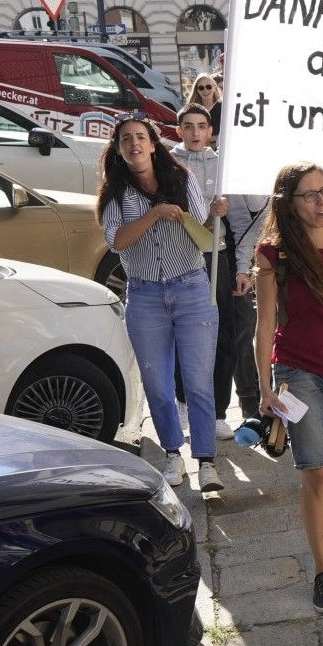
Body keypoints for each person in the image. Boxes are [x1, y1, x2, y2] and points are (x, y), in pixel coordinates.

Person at [250, 163, 323, 614]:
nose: (321, 201)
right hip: (298, 373)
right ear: (288, 202)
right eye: (310, 194)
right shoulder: (274, 255)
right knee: (316, 470)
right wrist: (264, 389)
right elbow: (264, 326)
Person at [97, 113, 220, 491]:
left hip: (191, 288)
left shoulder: (182, 178)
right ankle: (172, 454)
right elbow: (117, 240)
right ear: (119, 150)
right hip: (145, 293)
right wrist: (153, 214)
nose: (134, 144)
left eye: (140, 137)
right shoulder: (115, 193)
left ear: (153, 144)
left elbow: (202, 226)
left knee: (198, 382)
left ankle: (207, 460)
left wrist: (215, 214)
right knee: (158, 384)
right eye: (126, 139)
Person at [169, 103, 259, 444]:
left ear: (210, 131)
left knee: (225, 335)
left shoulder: (223, 166)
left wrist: (242, 268)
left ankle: (219, 412)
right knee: (183, 332)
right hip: (180, 258)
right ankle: (183, 401)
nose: (195, 133)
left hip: (217, 258)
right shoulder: (168, 163)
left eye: (201, 126)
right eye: (188, 126)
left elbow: (240, 221)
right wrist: (206, 213)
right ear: (179, 130)